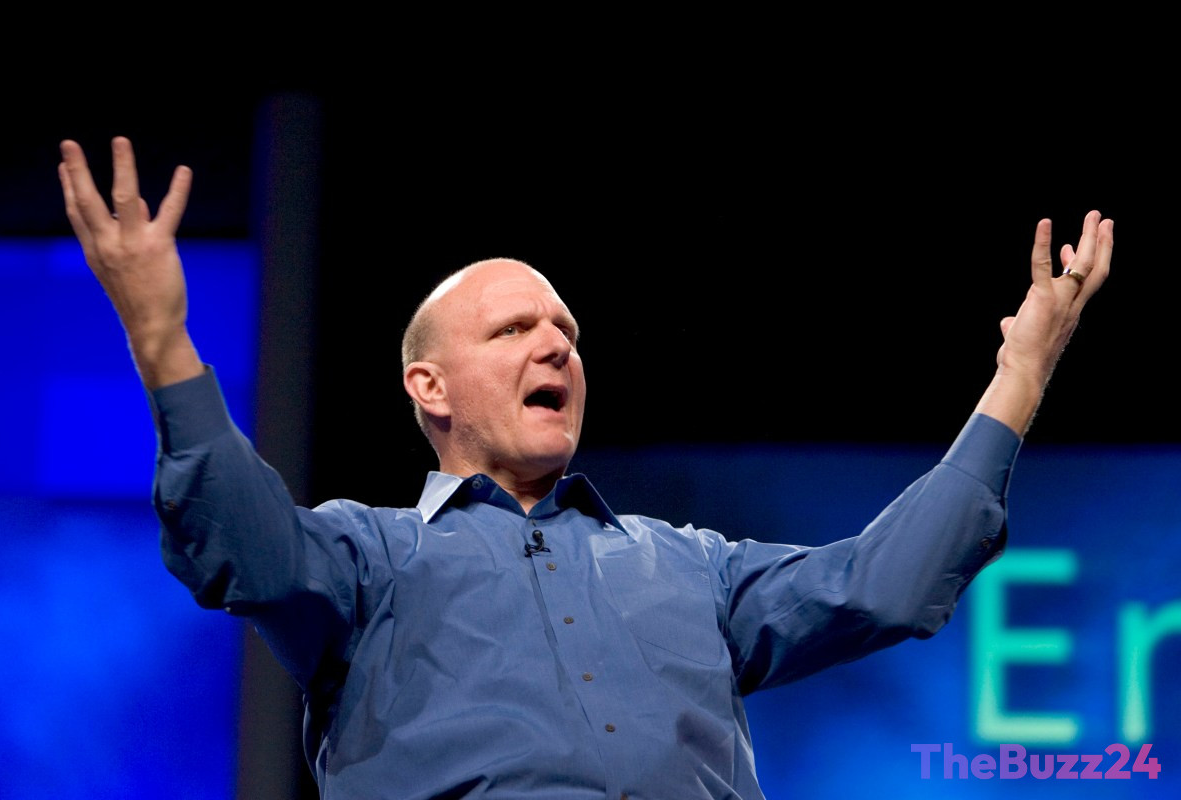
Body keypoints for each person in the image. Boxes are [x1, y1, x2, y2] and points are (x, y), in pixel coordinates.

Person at [58, 136, 1112, 800]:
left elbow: (885, 584)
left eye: (566, 331)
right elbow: (239, 543)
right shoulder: (366, 557)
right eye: (515, 329)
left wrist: (1019, 375)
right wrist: (163, 340)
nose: (557, 346)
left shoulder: (694, 566)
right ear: (429, 386)